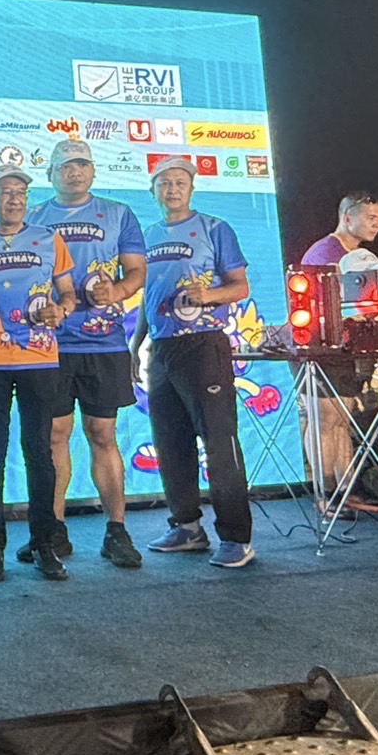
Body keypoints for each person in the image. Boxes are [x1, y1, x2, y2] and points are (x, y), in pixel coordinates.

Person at [0, 164, 78, 583]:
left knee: (39, 451)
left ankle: (44, 544)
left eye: (21, 192)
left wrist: (61, 310)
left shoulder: (49, 240)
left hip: (39, 360)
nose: (14, 199)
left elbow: (69, 294)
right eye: (5, 192)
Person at [27, 139, 147, 569]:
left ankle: (117, 530)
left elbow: (136, 271)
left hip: (104, 342)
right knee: (54, 436)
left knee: (102, 433)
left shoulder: (118, 213)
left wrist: (117, 290)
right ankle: (53, 530)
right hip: (50, 344)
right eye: (65, 166)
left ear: (93, 171)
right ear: (50, 174)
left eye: (81, 164)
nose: (74, 172)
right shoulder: (33, 216)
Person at [130, 157, 254, 568]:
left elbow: (240, 286)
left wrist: (209, 296)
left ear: (191, 188)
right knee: (170, 442)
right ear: (153, 191)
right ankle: (187, 526)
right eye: (164, 183)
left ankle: (236, 537)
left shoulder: (215, 228)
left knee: (218, 441)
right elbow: (148, 297)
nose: (172, 189)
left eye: (180, 182)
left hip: (204, 345)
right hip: (161, 348)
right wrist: (136, 345)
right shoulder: (147, 236)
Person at [300, 192, 378, 512]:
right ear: (347, 218)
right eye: (370, 218)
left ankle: (345, 491)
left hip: (346, 346)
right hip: (319, 344)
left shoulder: (361, 256)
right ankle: (325, 495)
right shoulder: (326, 253)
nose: (376, 225)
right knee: (324, 420)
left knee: (341, 420)